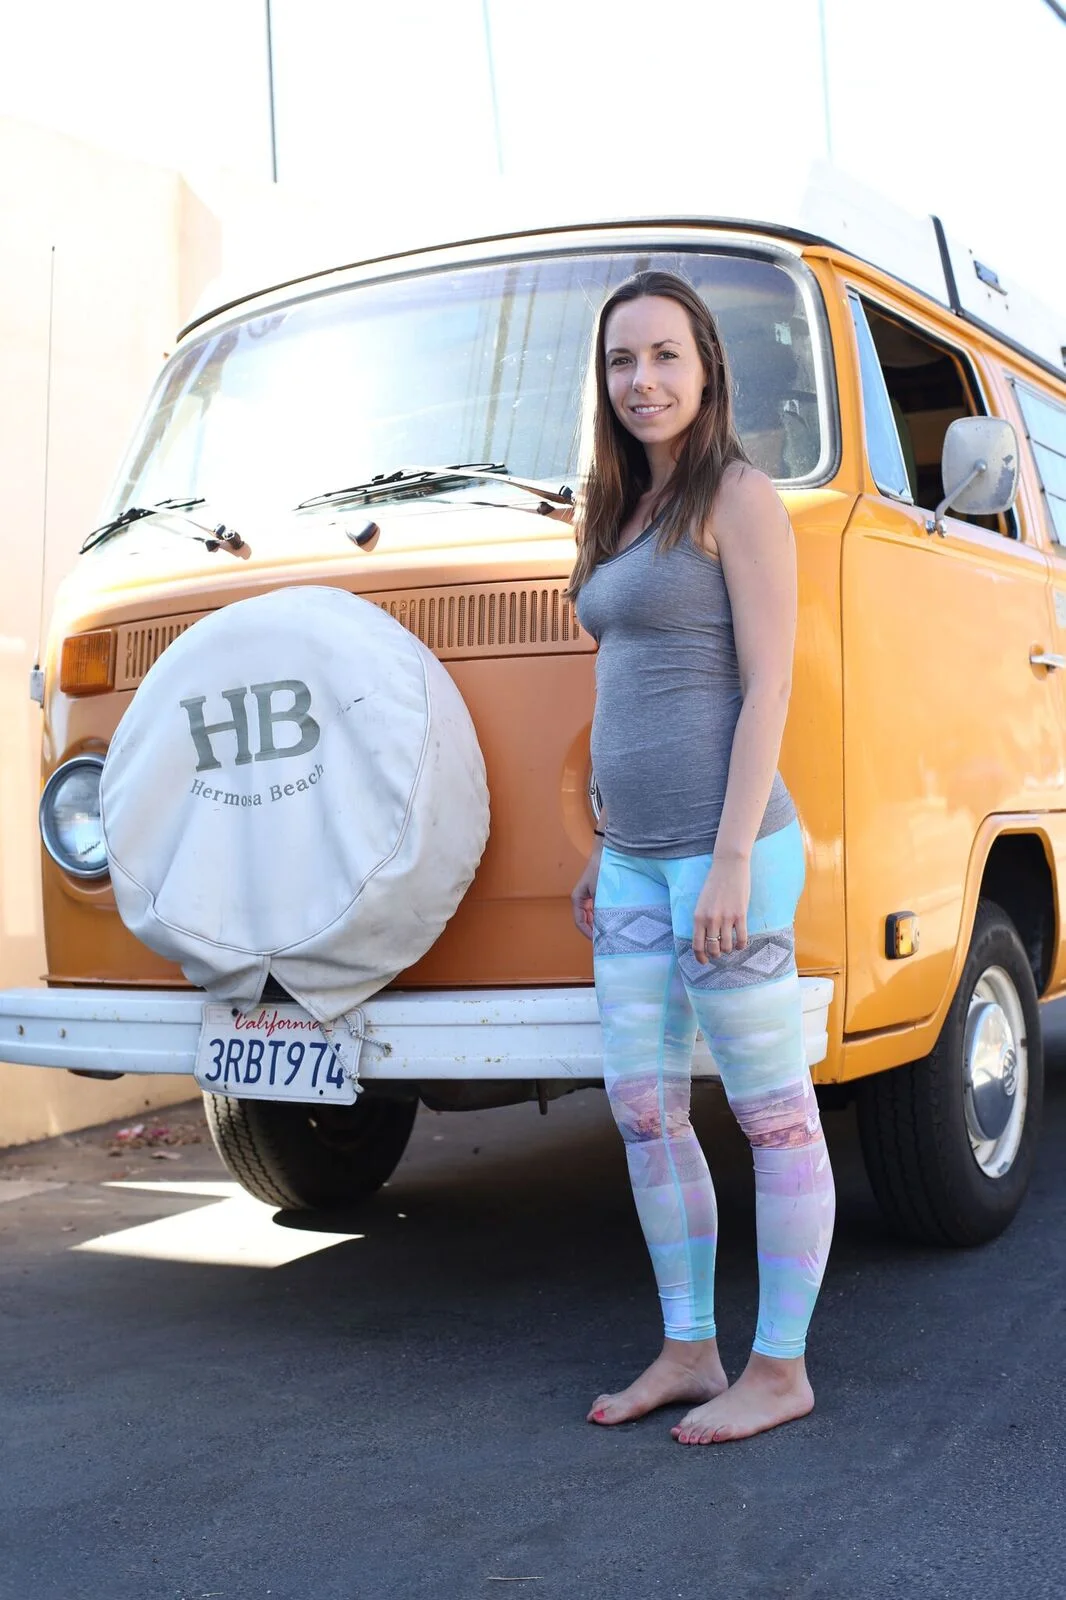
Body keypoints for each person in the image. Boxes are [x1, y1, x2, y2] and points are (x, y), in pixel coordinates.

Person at [567, 270, 835, 1446]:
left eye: (665, 355)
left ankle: (778, 1369)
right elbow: (623, 674)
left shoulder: (738, 495)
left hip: (730, 856)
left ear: (707, 366)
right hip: (633, 863)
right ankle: (688, 1348)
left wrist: (727, 859)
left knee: (772, 1117)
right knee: (644, 1109)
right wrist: (602, 842)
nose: (643, 380)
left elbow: (767, 685)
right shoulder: (616, 510)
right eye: (622, 361)